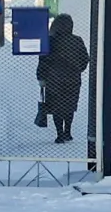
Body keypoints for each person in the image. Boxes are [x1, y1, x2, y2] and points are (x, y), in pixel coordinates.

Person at [37, 13, 88, 143]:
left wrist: (41, 77)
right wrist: (77, 70)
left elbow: (43, 60)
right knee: (69, 105)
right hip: (73, 79)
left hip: (53, 80)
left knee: (56, 106)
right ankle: (68, 132)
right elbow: (85, 59)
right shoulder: (77, 40)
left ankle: (59, 134)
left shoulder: (50, 41)